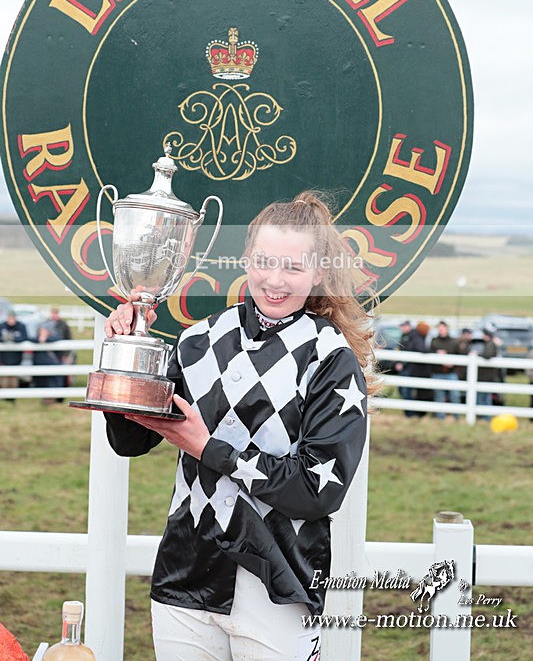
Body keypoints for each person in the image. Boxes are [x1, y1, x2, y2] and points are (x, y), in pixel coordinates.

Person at [103, 191, 379, 661]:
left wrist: (209, 448)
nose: (275, 280)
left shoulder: (331, 359)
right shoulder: (198, 340)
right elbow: (129, 439)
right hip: (185, 576)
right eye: (264, 262)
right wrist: (129, 357)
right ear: (245, 258)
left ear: (319, 272)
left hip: (277, 582)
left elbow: (318, 491)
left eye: (293, 267)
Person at [430, 321, 460, 420]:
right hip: (438, 372)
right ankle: (440, 418)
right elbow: (429, 353)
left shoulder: (454, 342)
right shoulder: (434, 341)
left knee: (455, 395)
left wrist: (452, 363)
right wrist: (436, 353)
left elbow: (459, 355)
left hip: (450, 373)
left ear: (447, 328)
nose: (441, 330)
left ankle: (456, 417)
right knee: (439, 396)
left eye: (443, 328)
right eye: (439, 328)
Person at [0, 310, 28, 403]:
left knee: (14, 379)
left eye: (12, 318)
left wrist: (13, 338)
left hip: (16, 358)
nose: (11, 320)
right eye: (9, 318)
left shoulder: (21, 326)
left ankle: (12, 399)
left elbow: (24, 337)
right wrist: (4, 339)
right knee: (4, 379)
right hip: (4, 357)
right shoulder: (2, 326)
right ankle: (5, 398)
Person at [393, 320, 416, 417]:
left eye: (403, 326)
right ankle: (408, 413)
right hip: (404, 368)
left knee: (407, 391)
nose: (402, 328)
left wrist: (402, 363)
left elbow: (410, 352)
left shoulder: (412, 337)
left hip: (409, 369)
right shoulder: (404, 336)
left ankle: (409, 414)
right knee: (402, 390)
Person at [476, 328, 499, 420]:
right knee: (484, 396)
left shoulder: (490, 344)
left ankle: (485, 417)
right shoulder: (490, 344)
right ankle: (484, 416)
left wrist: (478, 355)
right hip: (487, 376)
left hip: (486, 376)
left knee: (484, 397)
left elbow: (487, 355)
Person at [33, 326, 62, 399]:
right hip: (40, 364)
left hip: (51, 365)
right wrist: (40, 339)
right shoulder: (36, 339)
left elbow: (58, 338)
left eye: (45, 331)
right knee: (42, 382)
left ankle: (52, 399)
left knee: (52, 382)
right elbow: (29, 339)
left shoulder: (52, 338)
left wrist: (46, 339)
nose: (43, 333)